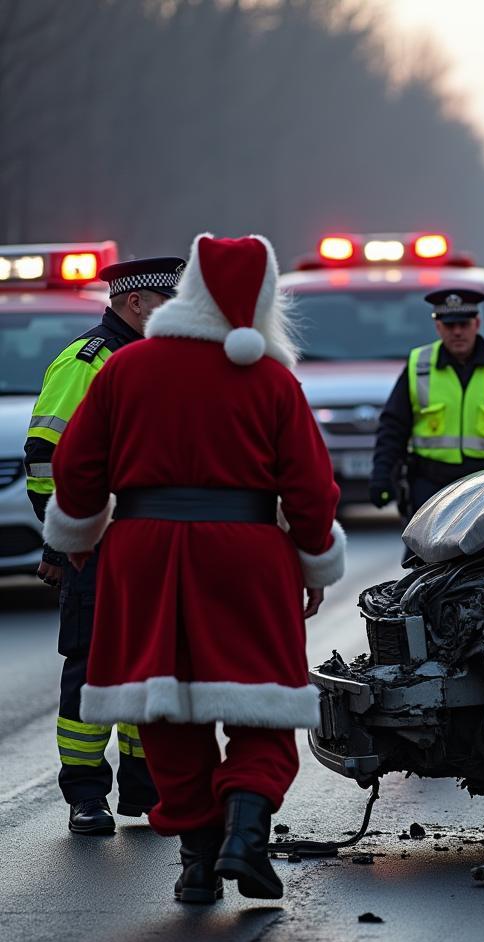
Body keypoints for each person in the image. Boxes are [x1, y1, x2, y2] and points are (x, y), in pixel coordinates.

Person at [42, 234, 346, 904]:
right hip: (247, 554)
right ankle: (244, 828)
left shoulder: (125, 370)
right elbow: (310, 485)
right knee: (262, 704)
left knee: (167, 711)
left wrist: (80, 537)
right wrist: (314, 561)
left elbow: (76, 467)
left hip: (142, 553)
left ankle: (197, 861)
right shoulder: (269, 378)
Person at [25, 255, 184, 835]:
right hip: (99, 545)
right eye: (169, 301)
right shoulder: (87, 361)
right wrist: (69, 536)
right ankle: (86, 795)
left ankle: (145, 791)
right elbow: (45, 460)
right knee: (93, 670)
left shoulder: (162, 359)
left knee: (151, 668)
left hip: (154, 544)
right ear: (135, 302)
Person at [368, 288, 484, 519]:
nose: (457, 332)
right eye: (449, 325)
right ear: (438, 327)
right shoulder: (419, 365)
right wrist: (381, 475)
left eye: (463, 324)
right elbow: (393, 428)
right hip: (431, 486)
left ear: (477, 323)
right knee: (421, 554)